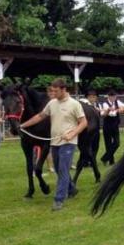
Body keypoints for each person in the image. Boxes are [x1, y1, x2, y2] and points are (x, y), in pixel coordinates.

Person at [21, 78, 87, 211]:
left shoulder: (74, 104)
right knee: (58, 169)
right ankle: (72, 189)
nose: (53, 93)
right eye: (52, 90)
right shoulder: (52, 103)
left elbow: (84, 122)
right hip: (55, 142)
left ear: (64, 89)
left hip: (68, 142)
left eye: (56, 91)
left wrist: (72, 134)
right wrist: (23, 125)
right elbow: (40, 116)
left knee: (63, 170)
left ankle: (59, 200)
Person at [100, 90, 124, 166]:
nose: (113, 98)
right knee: (108, 144)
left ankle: (104, 158)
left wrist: (121, 109)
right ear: (108, 96)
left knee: (117, 143)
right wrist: (113, 110)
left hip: (115, 126)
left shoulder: (117, 102)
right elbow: (109, 114)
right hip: (107, 126)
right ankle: (111, 161)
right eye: (111, 96)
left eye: (114, 96)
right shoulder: (105, 104)